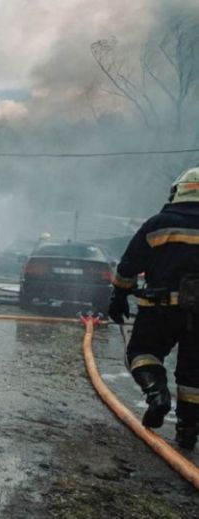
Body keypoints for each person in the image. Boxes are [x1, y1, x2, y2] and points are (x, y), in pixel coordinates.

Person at [108, 167, 199, 449]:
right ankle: (187, 431)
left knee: (142, 352)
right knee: (194, 374)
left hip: (159, 309)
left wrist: (119, 296)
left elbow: (129, 264)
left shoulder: (158, 224)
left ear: (178, 191)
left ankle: (157, 393)